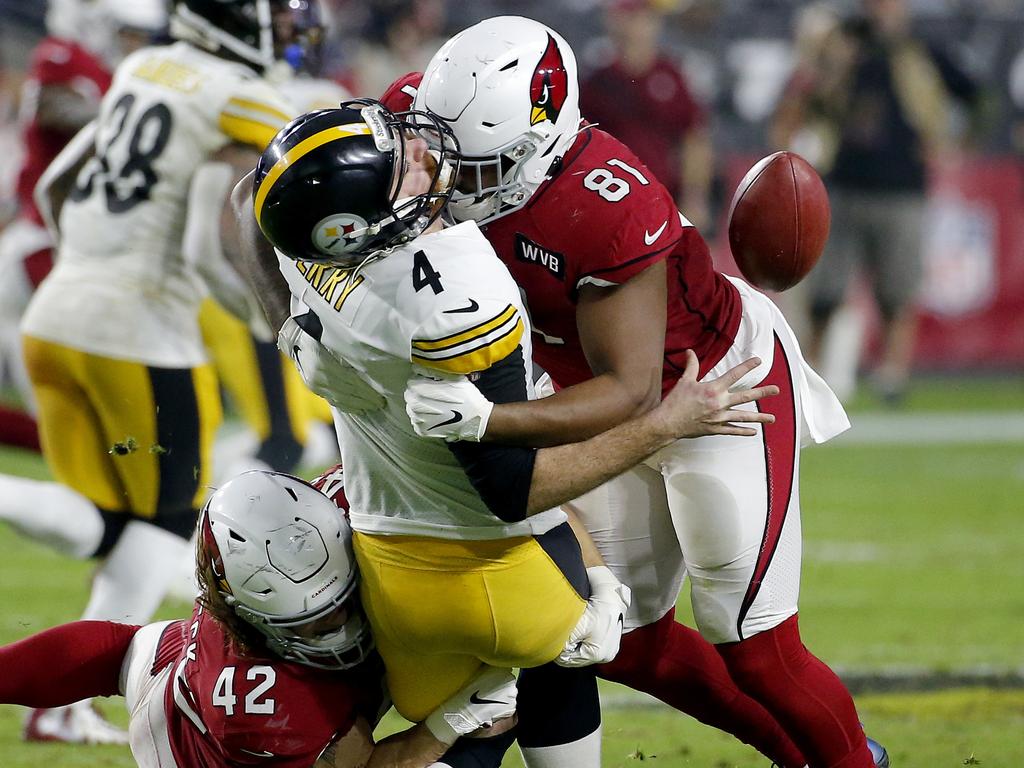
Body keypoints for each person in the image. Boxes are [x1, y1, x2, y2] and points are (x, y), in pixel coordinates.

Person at [398, 16, 886, 768]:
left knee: (756, 645)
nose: (450, 179)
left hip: (716, 392)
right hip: (595, 391)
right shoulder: (439, 129)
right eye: (444, 155)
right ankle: (793, 752)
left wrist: (493, 420)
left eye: (476, 166)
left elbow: (630, 392)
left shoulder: (600, 206)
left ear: (535, 148)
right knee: (612, 635)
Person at [234, 98, 778, 767]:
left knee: (472, 723)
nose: (424, 155)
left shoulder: (312, 255)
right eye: (401, 166)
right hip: (502, 577)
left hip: (392, 581)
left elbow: (248, 204)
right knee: (560, 654)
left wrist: (289, 331)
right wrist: (668, 421)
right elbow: (514, 492)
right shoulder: (450, 293)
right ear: (358, 223)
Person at [0, 0, 309, 743]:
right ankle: (63, 702)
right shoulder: (240, 94)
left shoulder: (141, 66)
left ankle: (60, 709)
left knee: (114, 522)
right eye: (284, 17)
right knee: (169, 521)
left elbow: (54, 187)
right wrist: (284, 315)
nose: (295, 30)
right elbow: (237, 223)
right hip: (137, 331)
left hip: (58, 316)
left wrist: (91, 264)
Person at [0, 468, 519, 768]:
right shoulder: (259, 698)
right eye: (312, 621)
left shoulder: (340, 505)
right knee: (487, 724)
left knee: (129, 649)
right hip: (189, 743)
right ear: (252, 619)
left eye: (340, 602)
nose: (338, 628)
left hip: (172, 655)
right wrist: (448, 724)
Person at [772, 0, 977, 405]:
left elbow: (975, 95)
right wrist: (824, 60)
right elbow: (802, 101)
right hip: (843, 184)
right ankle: (811, 371)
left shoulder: (922, 49)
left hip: (903, 186)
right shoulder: (845, 43)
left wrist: (959, 144)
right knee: (826, 290)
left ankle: (892, 375)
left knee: (897, 290)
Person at [580, 0, 713, 229]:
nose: (634, 26)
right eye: (628, 17)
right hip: (610, 199)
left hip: (664, 196)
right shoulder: (597, 83)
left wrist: (695, 196)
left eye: (640, 17)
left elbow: (694, 139)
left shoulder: (671, 76)